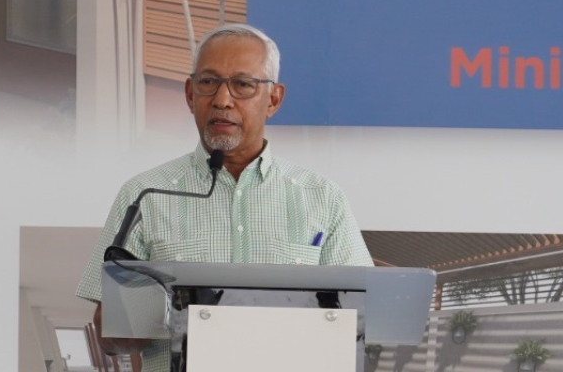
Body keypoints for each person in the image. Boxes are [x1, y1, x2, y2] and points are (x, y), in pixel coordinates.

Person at [75, 23, 373, 372]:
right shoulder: (145, 195)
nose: (222, 100)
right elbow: (112, 338)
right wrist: (143, 315)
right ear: (190, 95)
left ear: (274, 99)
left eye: (243, 85)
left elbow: (363, 317)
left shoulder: (322, 197)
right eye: (208, 82)